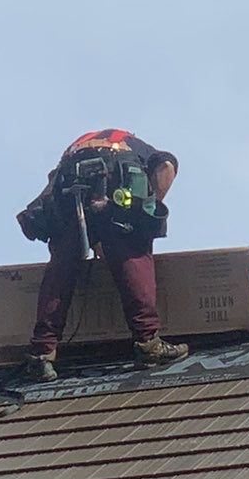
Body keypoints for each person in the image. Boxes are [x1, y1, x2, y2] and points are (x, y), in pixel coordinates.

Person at [16, 128, 189, 376]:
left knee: (61, 268)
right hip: (116, 183)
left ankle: (41, 354)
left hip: (68, 188)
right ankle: (148, 344)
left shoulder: (77, 146)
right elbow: (166, 167)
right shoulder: (138, 146)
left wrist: (96, 239)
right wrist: (147, 209)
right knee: (133, 256)